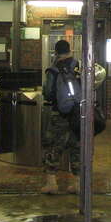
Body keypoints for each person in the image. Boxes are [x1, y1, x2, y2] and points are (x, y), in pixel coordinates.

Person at [40, 39, 80, 194]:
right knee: (76, 146)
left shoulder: (54, 69)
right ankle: (78, 183)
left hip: (60, 114)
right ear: (70, 50)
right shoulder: (79, 66)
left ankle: (52, 184)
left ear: (56, 52)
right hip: (77, 113)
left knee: (53, 146)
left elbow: (48, 93)